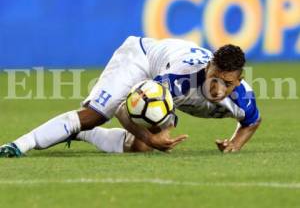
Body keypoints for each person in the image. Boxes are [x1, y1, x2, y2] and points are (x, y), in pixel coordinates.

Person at [0, 36, 261, 157]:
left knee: (142, 148)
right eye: (213, 77)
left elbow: (251, 122)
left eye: (226, 84)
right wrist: (147, 133)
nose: (216, 88)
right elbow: (126, 108)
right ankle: (19, 145)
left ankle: (81, 133)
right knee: (97, 115)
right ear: (208, 68)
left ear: (238, 81)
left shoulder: (244, 99)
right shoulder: (180, 81)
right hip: (139, 59)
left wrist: (234, 144)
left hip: (162, 82)